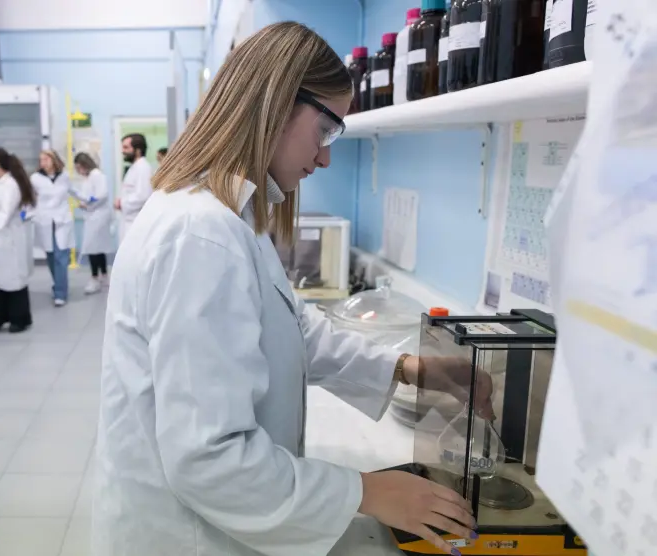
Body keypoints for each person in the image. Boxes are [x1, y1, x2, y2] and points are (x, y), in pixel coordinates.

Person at [93, 22, 494, 556]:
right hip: (183, 535)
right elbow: (208, 458)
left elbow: (291, 329)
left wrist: (409, 369)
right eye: (326, 130)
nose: (326, 157)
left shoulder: (229, 218)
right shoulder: (201, 234)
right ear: (278, 102)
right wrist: (367, 491)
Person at [0, 147, 36, 333]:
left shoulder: (11, 185)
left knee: (13, 280)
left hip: (9, 238)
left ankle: (20, 319)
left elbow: (6, 212)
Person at [32, 149, 73, 307]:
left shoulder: (64, 176)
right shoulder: (35, 178)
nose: (43, 163)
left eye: (46, 159)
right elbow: (29, 197)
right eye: (41, 160)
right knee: (50, 257)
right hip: (44, 220)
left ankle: (60, 293)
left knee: (61, 257)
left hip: (62, 220)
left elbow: (73, 191)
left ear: (54, 160)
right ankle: (57, 285)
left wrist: (88, 200)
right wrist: (24, 211)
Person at [73, 152, 113, 294]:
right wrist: (86, 204)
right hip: (94, 216)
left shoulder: (97, 175)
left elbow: (101, 195)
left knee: (93, 248)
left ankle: (95, 278)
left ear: (84, 164)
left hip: (98, 215)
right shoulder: (89, 177)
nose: (78, 171)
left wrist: (88, 204)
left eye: (78, 167)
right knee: (97, 247)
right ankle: (103, 275)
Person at [112, 133, 152, 243]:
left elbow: (143, 196)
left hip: (136, 222)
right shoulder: (134, 167)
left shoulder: (143, 168)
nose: (122, 151)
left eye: (126, 147)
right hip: (128, 221)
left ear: (138, 150)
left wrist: (121, 203)